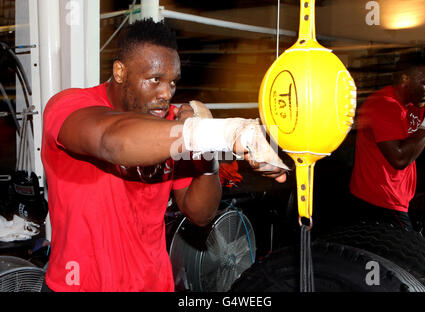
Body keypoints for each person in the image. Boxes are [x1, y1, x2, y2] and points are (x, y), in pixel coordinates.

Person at [41, 19, 287, 292]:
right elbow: (111, 141)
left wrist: (206, 150)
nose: (165, 94)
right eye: (155, 79)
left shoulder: (173, 127)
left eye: (172, 83)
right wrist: (224, 133)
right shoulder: (70, 106)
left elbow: (200, 214)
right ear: (120, 72)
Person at [349, 51, 425, 230]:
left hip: (397, 199)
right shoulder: (383, 105)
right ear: (405, 79)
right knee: (405, 256)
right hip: (379, 203)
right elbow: (399, 158)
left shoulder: (415, 100)